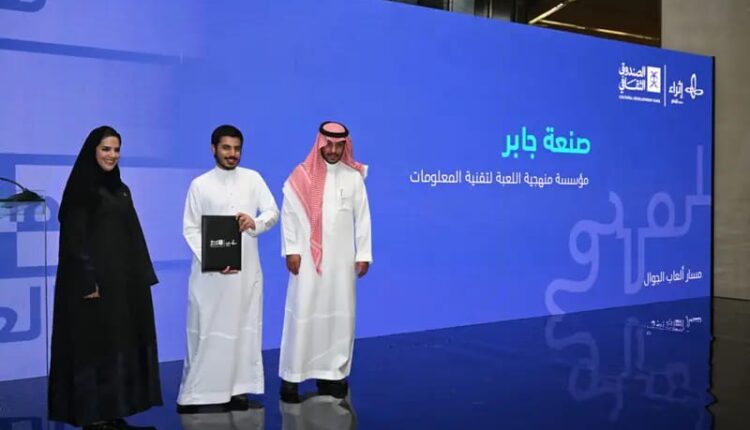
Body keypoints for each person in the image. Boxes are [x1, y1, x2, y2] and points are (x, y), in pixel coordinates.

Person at [48, 126, 162, 430]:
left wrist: (142, 277)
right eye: (106, 149)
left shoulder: (121, 190)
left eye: (116, 149)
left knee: (117, 346)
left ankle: (113, 411)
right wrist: (87, 281)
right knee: (93, 348)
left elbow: (134, 234)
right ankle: (93, 415)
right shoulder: (81, 190)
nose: (112, 155)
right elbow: (74, 239)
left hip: (122, 285)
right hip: (92, 285)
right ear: (93, 151)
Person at [177, 124, 279, 413]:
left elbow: (272, 212)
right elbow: (190, 229)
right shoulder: (200, 185)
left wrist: (255, 223)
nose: (232, 154)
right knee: (207, 330)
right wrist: (212, 259)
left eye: (236, 149)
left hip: (245, 274)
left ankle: (238, 389)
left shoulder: (253, 179)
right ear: (213, 149)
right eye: (226, 148)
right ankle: (196, 394)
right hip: (210, 276)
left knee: (243, 329)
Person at [278, 121, 372, 402]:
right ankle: (293, 376)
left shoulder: (353, 177)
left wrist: (363, 254)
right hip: (307, 260)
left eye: (338, 146)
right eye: (328, 145)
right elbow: (288, 215)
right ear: (319, 144)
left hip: (342, 262)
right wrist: (292, 250)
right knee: (303, 312)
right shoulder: (301, 176)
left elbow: (363, 218)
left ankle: (333, 374)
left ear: (345, 146)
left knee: (340, 315)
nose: (333, 150)